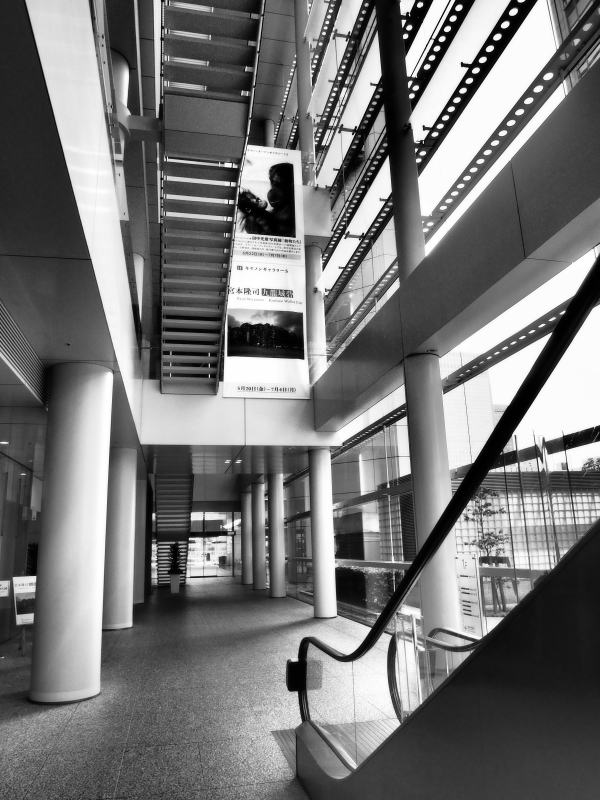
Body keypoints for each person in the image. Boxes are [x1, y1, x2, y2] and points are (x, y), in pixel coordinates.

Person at [238, 162, 295, 237]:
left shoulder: (290, 209)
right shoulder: (254, 219)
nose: (272, 190)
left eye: (278, 185)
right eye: (272, 182)